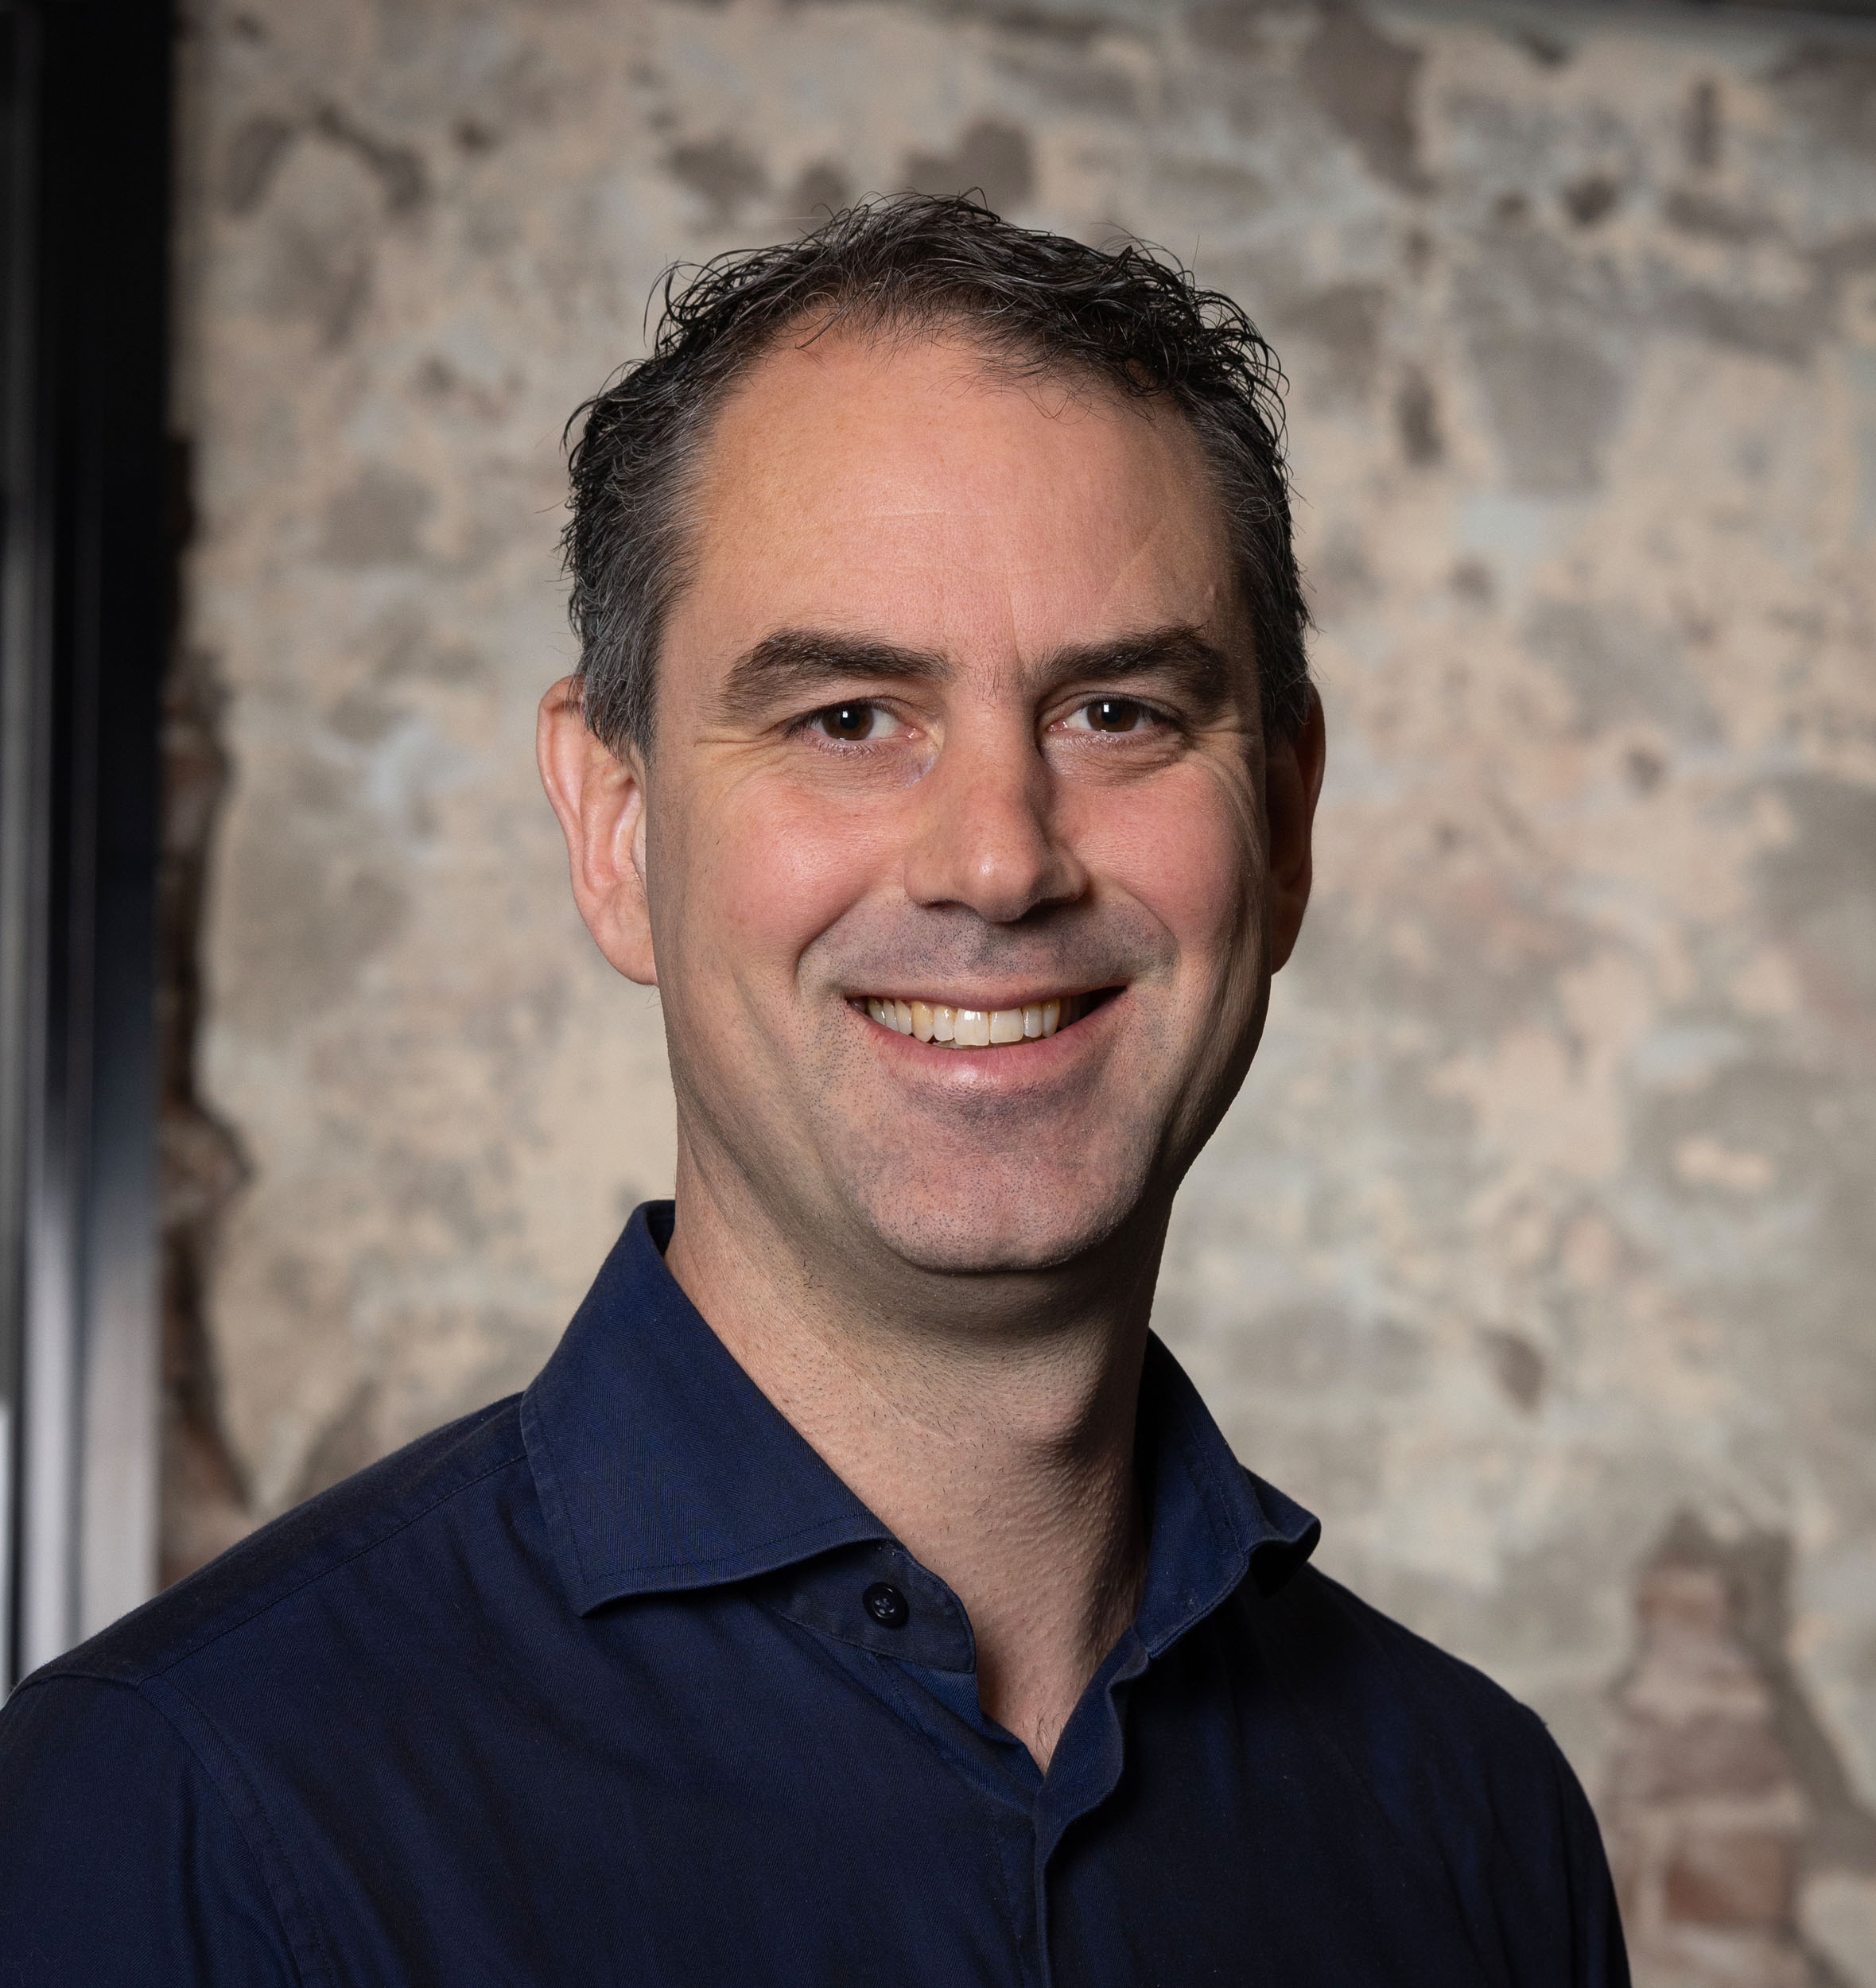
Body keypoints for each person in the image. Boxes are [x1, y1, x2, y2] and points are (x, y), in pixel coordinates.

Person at [0, 196, 1629, 1986]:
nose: (998, 860)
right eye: (848, 716)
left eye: (1117, 714)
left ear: (1288, 823)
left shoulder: (1477, 1828)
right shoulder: (185, 1812)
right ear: (616, 826)